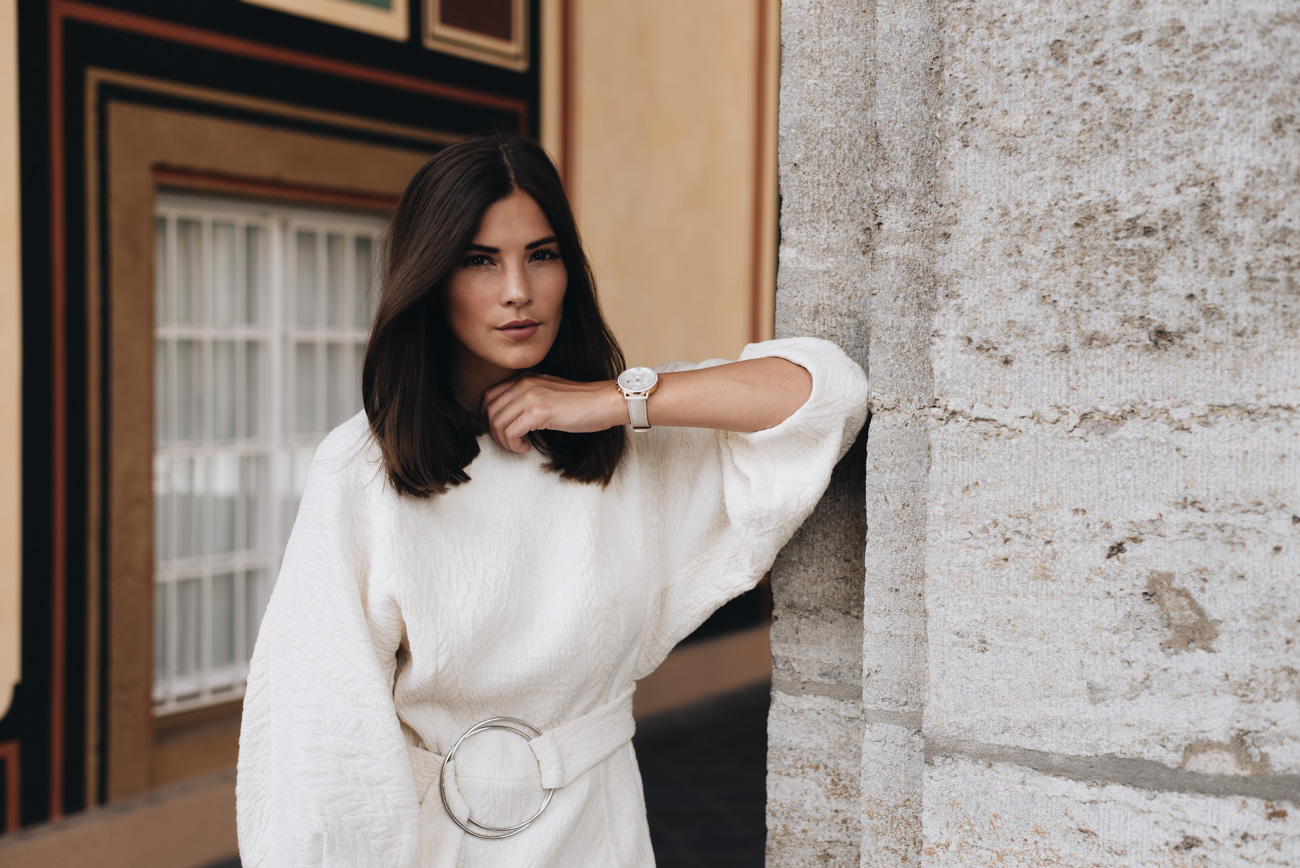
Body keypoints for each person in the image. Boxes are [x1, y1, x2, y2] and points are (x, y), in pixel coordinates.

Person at [235, 131, 869, 866]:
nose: (518, 290)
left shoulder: (621, 439)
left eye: (541, 254)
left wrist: (612, 401)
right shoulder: (361, 468)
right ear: (431, 277)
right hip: (436, 840)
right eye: (480, 260)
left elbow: (828, 392)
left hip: (596, 831)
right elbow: (321, 737)